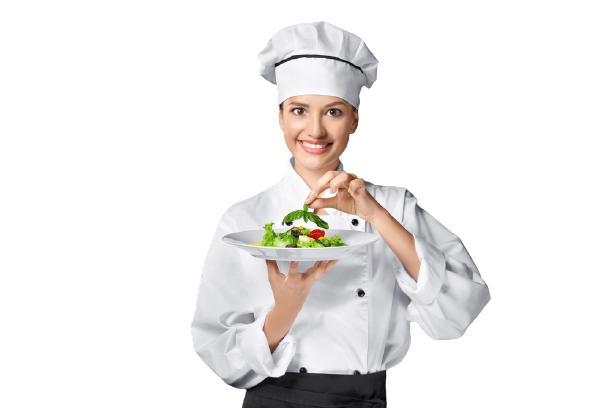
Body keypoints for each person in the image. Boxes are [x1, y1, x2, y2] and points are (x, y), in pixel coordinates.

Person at [191, 21, 491, 408]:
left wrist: (377, 216)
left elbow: (460, 310)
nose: (314, 130)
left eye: (333, 111)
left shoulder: (395, 205)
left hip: (367, 399)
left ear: (354, 120)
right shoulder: (244, 218)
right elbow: (218, 352)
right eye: (299, 110)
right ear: (280, 117)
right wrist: (286, 308)